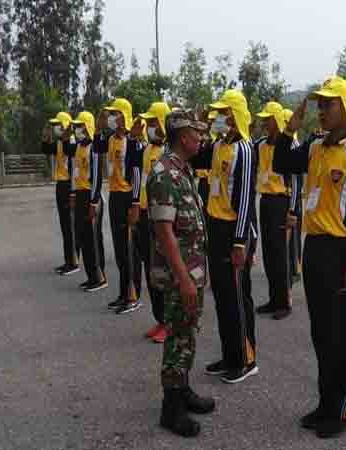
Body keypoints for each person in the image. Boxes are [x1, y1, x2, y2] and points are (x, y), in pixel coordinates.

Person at [273, 76, 346, 438]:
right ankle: (326, 402)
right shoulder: (315, 147)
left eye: (328, 104)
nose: (321, 109)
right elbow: (281, 161)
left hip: (343, 251)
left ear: (344, 108)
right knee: (321, 334)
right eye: (319, 103)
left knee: (345, 335)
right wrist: (291, 127)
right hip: (314, 248)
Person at [147, 110, 215, 438]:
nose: (201, 137)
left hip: (191, 270)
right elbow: (164, 232)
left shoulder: (182, 170)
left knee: (187, 332)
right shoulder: (163, 174)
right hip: (178, 276)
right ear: (181, 135)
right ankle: (171, 408)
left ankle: (183, 389)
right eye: (196, 132)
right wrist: (185, 278)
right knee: (177, 337)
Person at [201, 89, 259, 384]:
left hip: (236, 230)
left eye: (223, 114)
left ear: (234, 117)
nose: (218, 118)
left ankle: (247, 359)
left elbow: (247, 199)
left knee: (238, 296)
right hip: (216, 225)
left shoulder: (245, 149)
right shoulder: (218, 146)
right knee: (222, 296)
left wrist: (240, 242)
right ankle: (230, 354)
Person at [96, 98, 145, 314]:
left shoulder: (134, 142)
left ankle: (133, 296)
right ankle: (123, 293)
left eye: (116, 114)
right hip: (115, 196)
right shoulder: (110, 139)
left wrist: (135, 203)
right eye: (111, 114)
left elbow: (136, 173)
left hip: (127, 198)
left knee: (129, 249)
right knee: (119, 250)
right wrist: (99, 127)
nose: (113, 118)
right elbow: (96, 146)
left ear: (124, 116)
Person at [254, 101, 295, 320]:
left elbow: (296, 180)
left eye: (268, 119)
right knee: (269, 252)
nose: (264, 123)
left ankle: (284, 302)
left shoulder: (287, 144)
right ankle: (273, 299)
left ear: (277, 121)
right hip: (265, 200)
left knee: (280, 254)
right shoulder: (260, 145)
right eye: (263, 119)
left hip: (281, 201)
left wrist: (293, 210)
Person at [138, 102, 172, 343]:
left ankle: (170, 322)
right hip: (145, 214)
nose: (149, 127)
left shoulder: (170, 151)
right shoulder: (148, 148)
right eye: (148, 123)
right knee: (152, 270)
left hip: (161, 217)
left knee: (165, 273)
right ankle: (160, 319)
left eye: (153, 122)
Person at [65, 111, 107, 292]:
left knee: (93, 240)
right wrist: (73, 194)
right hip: (80, 195)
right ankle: (91, 277)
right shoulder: (78, 148)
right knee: (83, 237)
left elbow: (97, 177)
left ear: (88, 127)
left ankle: (99, 278)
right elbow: (75, 173)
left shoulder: (94, 149)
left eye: (80, 126)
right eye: (76, 127)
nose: (77, 130)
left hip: (91, 196)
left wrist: (94, 202)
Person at [41, 112, 79, 276]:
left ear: (65, 127)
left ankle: (73, 262)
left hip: (69, 186)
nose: (55, 128)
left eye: (58, 125)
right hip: (60, 185)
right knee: (65, 226)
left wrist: (72, 193)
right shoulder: (59, 143)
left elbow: (72, 164)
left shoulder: (71, 143)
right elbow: (46, 149)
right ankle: (68, 260)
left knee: (70, 227)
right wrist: (46, 137)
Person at [283, 108, 304, 290]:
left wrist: (293, 207)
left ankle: (295, 268)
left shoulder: (295, 145)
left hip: (293, 199)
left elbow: (297, 182)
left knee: (293, 238)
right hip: (288, 198)